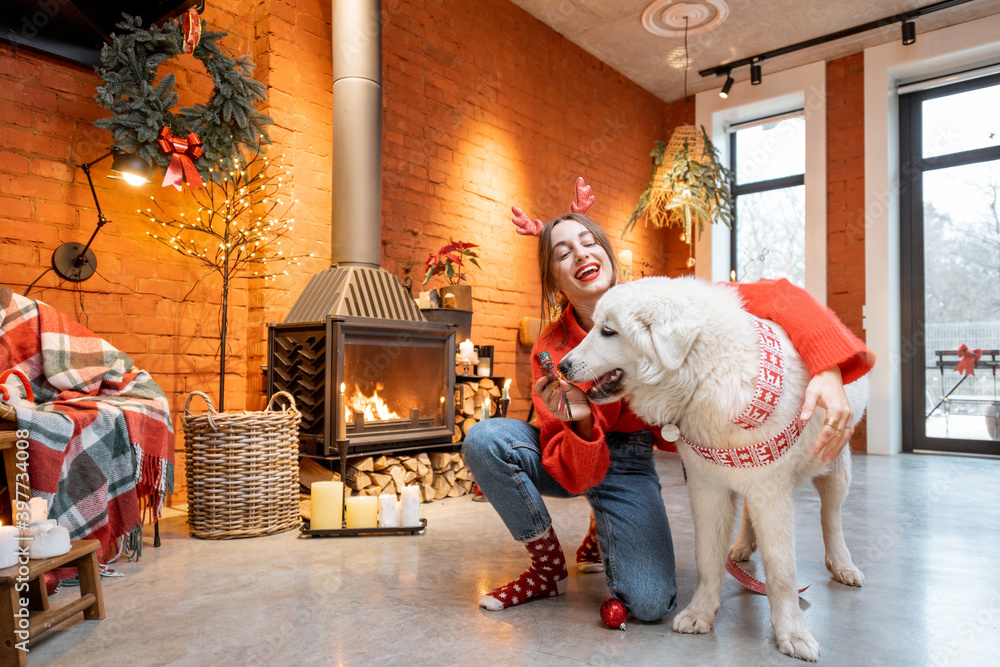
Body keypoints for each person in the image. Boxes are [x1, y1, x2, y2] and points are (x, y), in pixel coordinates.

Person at [463, 184, 875, 620]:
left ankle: (604, 531)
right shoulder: (555, 349)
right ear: (553, 278)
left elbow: (782, 295)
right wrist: (581, 421)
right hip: (576, 460)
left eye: (588, 243)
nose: (581, 255)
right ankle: (548, 567)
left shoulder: (662, 303)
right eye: (562, 253)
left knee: (650, 602)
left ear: (606, 253)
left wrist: (829, 369)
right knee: (486, 438)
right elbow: (576, 474)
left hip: (632, 462)